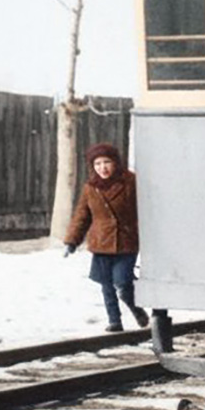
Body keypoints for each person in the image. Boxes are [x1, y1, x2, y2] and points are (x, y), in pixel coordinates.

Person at [63, 143, 147, 333]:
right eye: (97, 163)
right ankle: (114, 322)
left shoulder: (130, 182)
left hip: (126, 242)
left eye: (107, 162)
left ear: (116, 162)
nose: (103, 168)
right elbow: (81, 216)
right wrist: (71, 241)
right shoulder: (91, 188)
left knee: (123, 282)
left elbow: (145, 209)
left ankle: (135, 308)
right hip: (101, 243)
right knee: (106, 284)